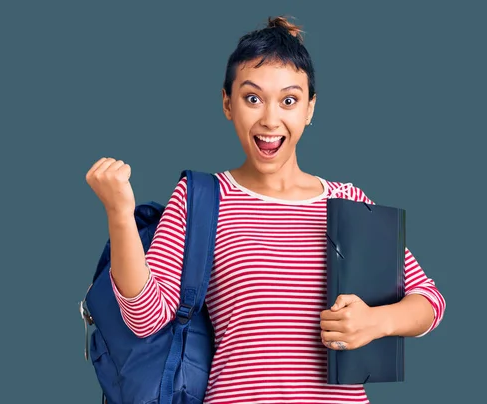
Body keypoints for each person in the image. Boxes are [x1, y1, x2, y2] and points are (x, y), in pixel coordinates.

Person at [85, 15, 446, 404]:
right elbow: (145, 317)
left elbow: (429, 301)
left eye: (289, 100)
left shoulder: (348, 201)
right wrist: (120, 214)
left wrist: (377, 321)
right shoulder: (200, 197)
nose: (270, 119)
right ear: (227, 103)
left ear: (310, 108)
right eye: (252, 98)